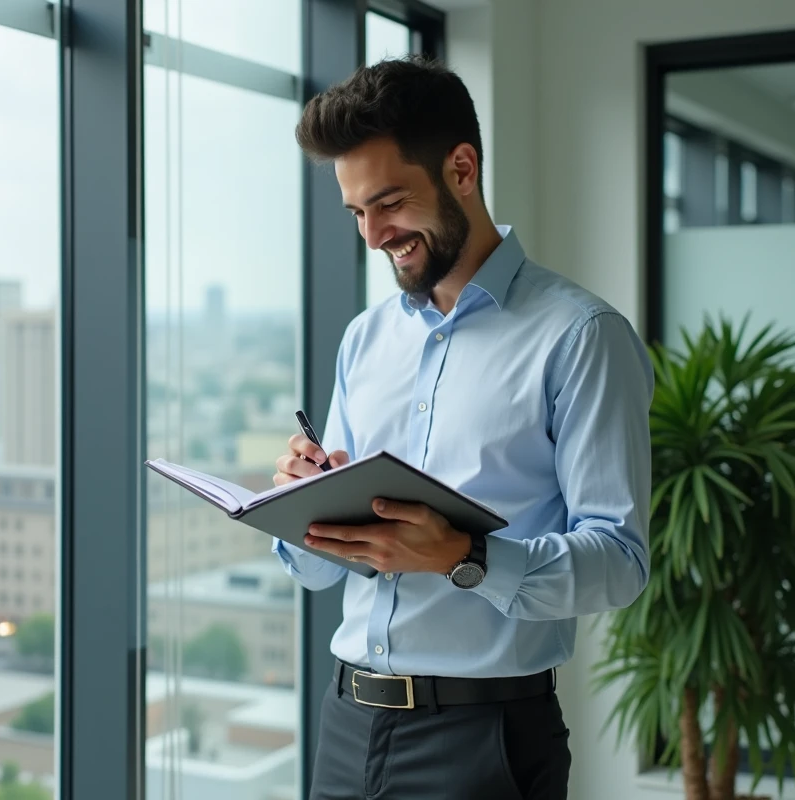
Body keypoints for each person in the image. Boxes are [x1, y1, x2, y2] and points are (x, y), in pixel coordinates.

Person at [271, 55, 653, 800]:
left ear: (462, 168)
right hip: (345, 725)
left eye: (389, 203)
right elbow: (326, 569)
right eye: (356, 213)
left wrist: (463, 555)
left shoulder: (580, 336)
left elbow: (620, 560)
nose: (374, 235)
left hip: (486, 741)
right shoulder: (366, 338)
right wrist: (301, 510)